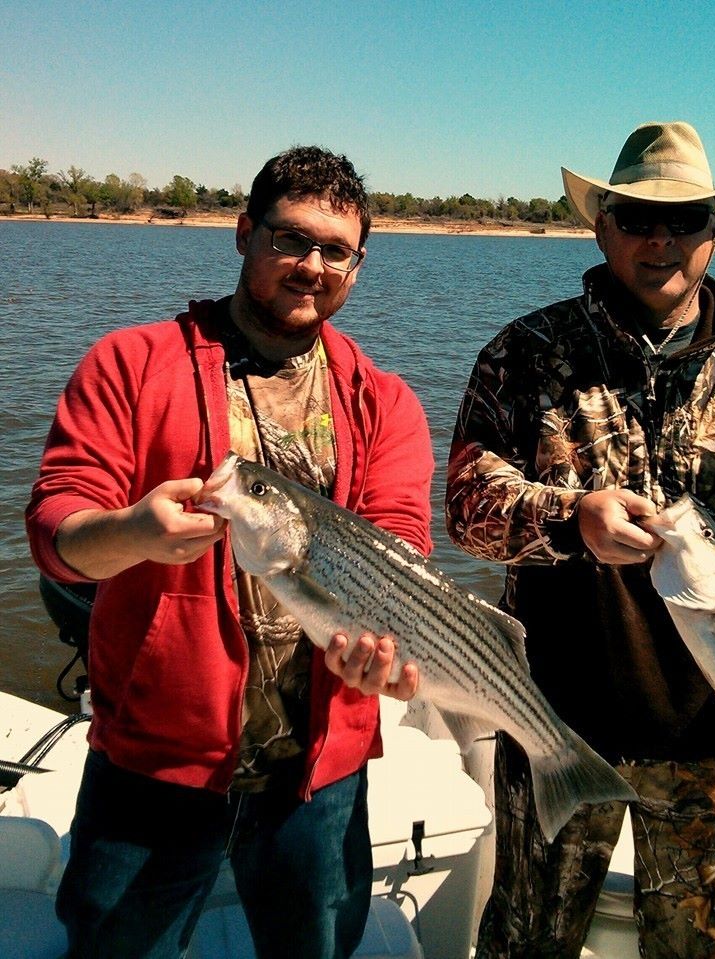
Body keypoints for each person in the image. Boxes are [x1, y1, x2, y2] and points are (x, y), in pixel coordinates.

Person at [445, 121, 715, 958]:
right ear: (602, 228)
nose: (660, 238)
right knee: (527, 944)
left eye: (686, 218)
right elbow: (464, 504)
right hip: (555, 728)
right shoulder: (524, 356)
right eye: (636, 217)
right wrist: (568, 519)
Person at [26, 146, 431, 959]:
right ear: (245, 233)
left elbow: (401, 546)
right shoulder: (131, 364)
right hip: (153, 766)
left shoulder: (384, 400)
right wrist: (133, 532)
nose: (312, 266)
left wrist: (387, 651)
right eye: (291, 238)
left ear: (357, 265)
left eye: (337, 250)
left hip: (319, 773)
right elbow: (56, 525)